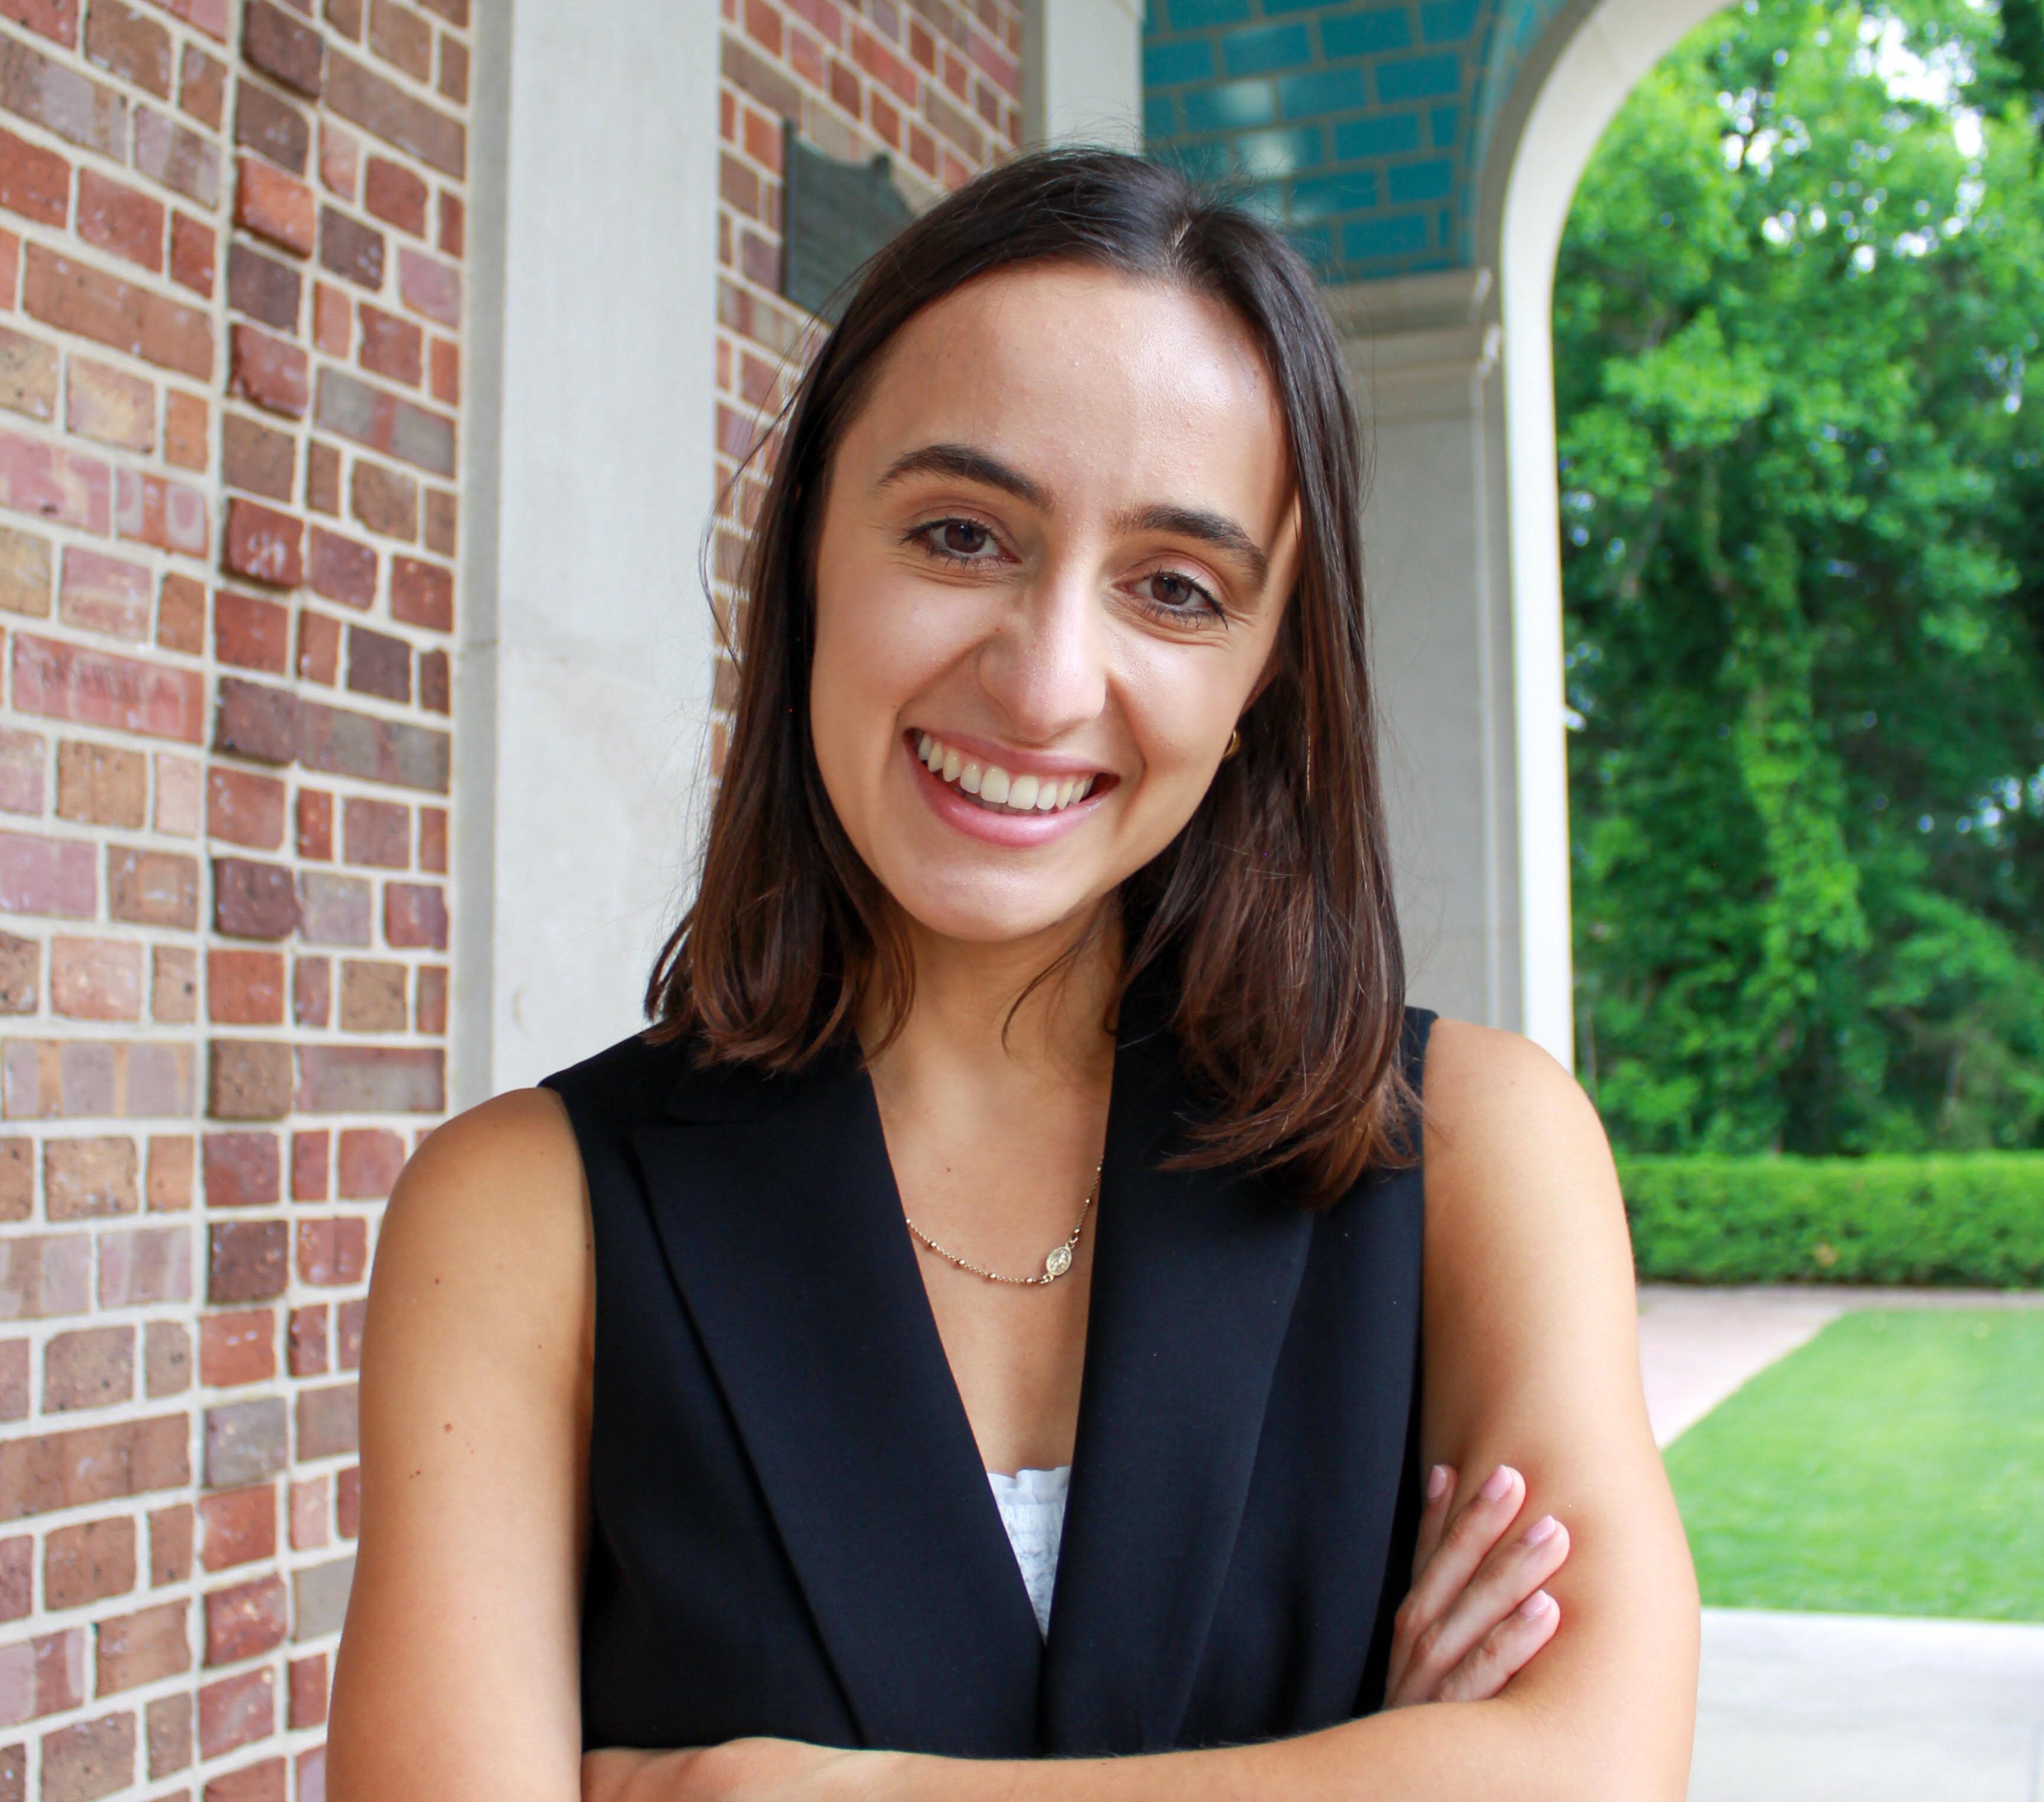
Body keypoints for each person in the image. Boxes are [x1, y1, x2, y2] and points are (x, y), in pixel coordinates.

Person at [326, 150, 1699, 1802]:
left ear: (1267, 671)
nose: (1045, 684)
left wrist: (814, 1793)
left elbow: (1595, 1774)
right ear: (812, 552)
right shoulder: (523, 1216)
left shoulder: (1474, 1155)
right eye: (962, 535)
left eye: (1175, 588)